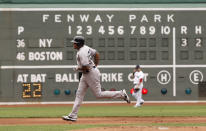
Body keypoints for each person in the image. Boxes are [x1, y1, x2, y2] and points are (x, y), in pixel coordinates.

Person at [62, 36, 130, 121]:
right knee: (79, 94)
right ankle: (73, 115)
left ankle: (121, 94)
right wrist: (95, 66)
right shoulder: (86, 48)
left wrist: (77, 68)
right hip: (88, 73)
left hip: (90, 73)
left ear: (79, 44)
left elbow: (86, 68)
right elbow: (96, 54)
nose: (73, 44)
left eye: (75, 43)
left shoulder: (82, 53)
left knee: (99, 94)